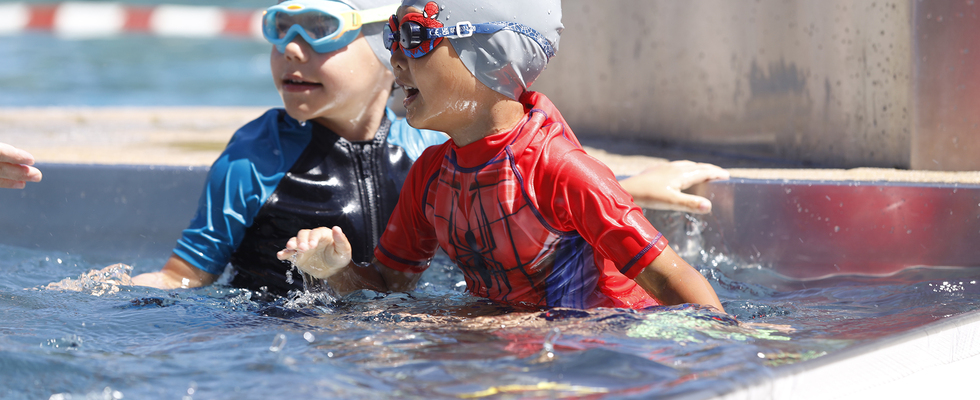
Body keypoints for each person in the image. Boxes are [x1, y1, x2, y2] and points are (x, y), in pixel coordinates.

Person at [52, 0, 724, 296]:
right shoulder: (256, 155)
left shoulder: (423, 150)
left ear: (381, 51)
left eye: (320, 31)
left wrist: (625, 185)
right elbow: (182, 276)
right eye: (279, 28)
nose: (292, 49)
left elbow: (525, 180)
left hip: (400, 315)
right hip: (269, 327)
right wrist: (101, 293)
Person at [278, 0, 725, 311]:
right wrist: (336, 270)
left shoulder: (561, 170)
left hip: (601, 337)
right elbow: (389, 289)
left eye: (415, 36)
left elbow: (671, 280)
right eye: (393, 37)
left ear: (491, 55)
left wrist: (722, 354)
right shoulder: (431, 176)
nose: (394, 58)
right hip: (514, 335)